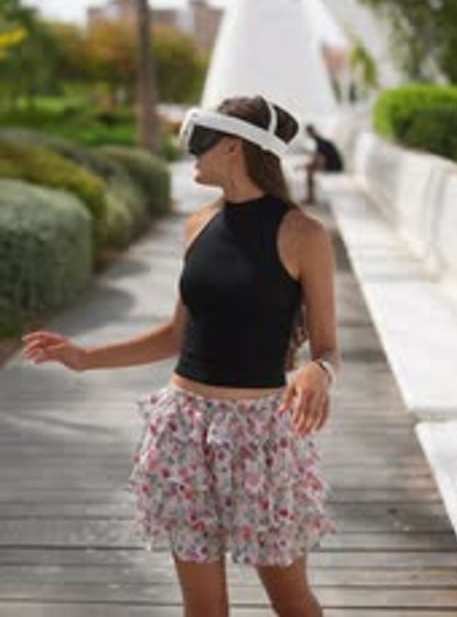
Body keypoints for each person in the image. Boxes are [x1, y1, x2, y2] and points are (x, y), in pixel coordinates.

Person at [22, 95, 341, 617]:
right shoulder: (197, 226)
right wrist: (85, 358)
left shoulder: (302, 234)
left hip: (260, 438)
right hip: (182, 432)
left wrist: (317, 370)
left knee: (291, 602)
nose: (190, 153)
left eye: (200, 142)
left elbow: (328, 347)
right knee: (203, 608)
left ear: (234, 148)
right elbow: (176, 334)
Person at [303, 124, 344, 205]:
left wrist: (310, 166)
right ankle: (310, 197)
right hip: (333, 163)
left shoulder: (320, 143)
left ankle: (311, 198)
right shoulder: (320, 141)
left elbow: (321, 159)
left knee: (309, 172)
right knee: (309, 169)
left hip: (334, 165)